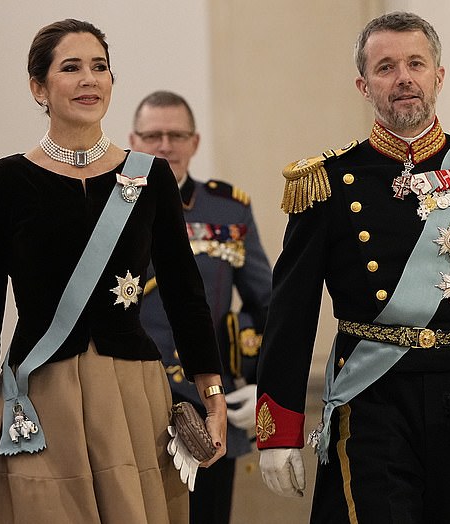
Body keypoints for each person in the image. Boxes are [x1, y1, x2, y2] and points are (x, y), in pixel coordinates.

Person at [256, 11, 450, 524]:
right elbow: (291, 313)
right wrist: (279, 430)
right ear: (364, 85)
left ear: (438, 76)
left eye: (415, 64)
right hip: (372, 394)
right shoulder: (329, 182)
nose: (403, 77)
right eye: (386, 67)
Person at [0, 19, 226, 523]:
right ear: (39, 87)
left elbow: (186, 293)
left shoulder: (151, 177)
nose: (89, 79)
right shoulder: (3, 182)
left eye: (99, 67)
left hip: (132, 393)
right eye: (71, 67)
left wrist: (211, 393)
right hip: (39, 395)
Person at [130, 91, 272, 524]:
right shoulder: (108, 211)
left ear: (195, 142)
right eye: (153, 135)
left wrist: (253, 376)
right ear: (133, 141)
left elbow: (267, 304)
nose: (165, 145)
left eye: (177, 135)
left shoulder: (227, 210)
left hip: (209, 400)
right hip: (135, 398)